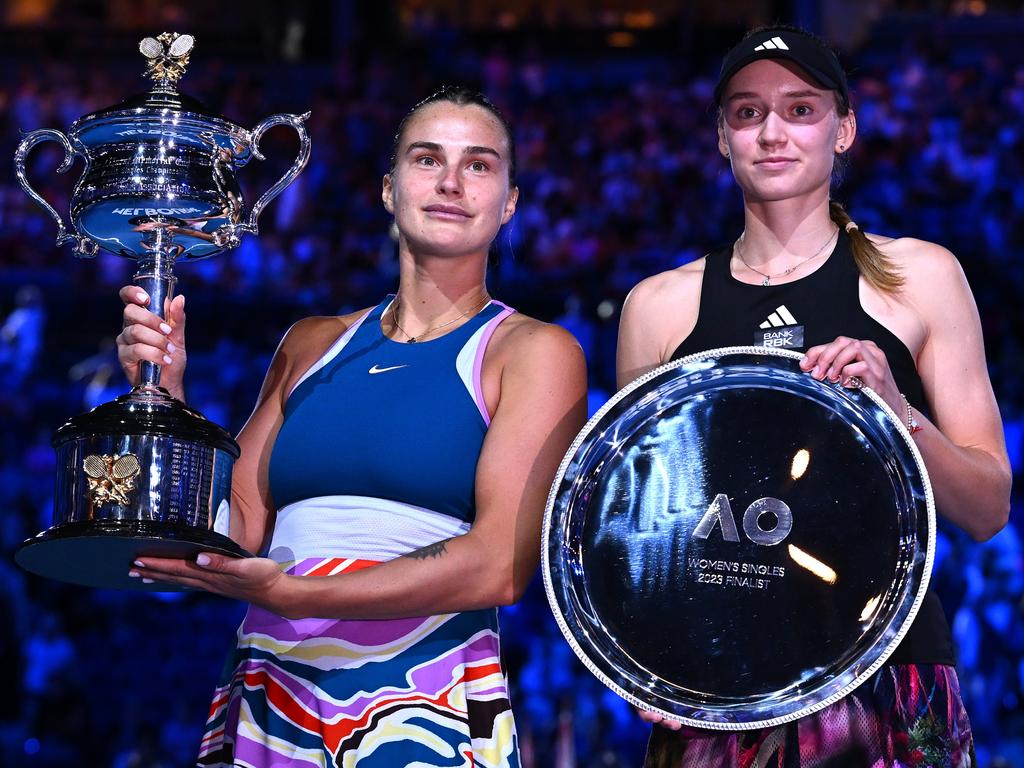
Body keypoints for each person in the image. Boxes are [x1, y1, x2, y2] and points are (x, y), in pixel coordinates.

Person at [116, 85, 587, 767]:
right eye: (427, 160)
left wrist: (293, 592)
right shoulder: (309, 342)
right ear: (388, 189)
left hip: (423, 706)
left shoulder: (535, 351)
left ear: (509, 201)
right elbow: (237, 528)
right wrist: (168, 398)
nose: (451, 181)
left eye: (479, 165)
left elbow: (497, 568)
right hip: (271, 694)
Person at [616, 25, 1011, 768]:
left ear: (844, 130)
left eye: (800, 109)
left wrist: (898, 407)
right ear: (721, 137)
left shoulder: (919, 279)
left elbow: (988, 508)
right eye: (747, 112)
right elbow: (646, 530)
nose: (772, 132)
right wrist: (641, 659)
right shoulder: (659, 307)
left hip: (890, 674)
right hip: (718, 687)